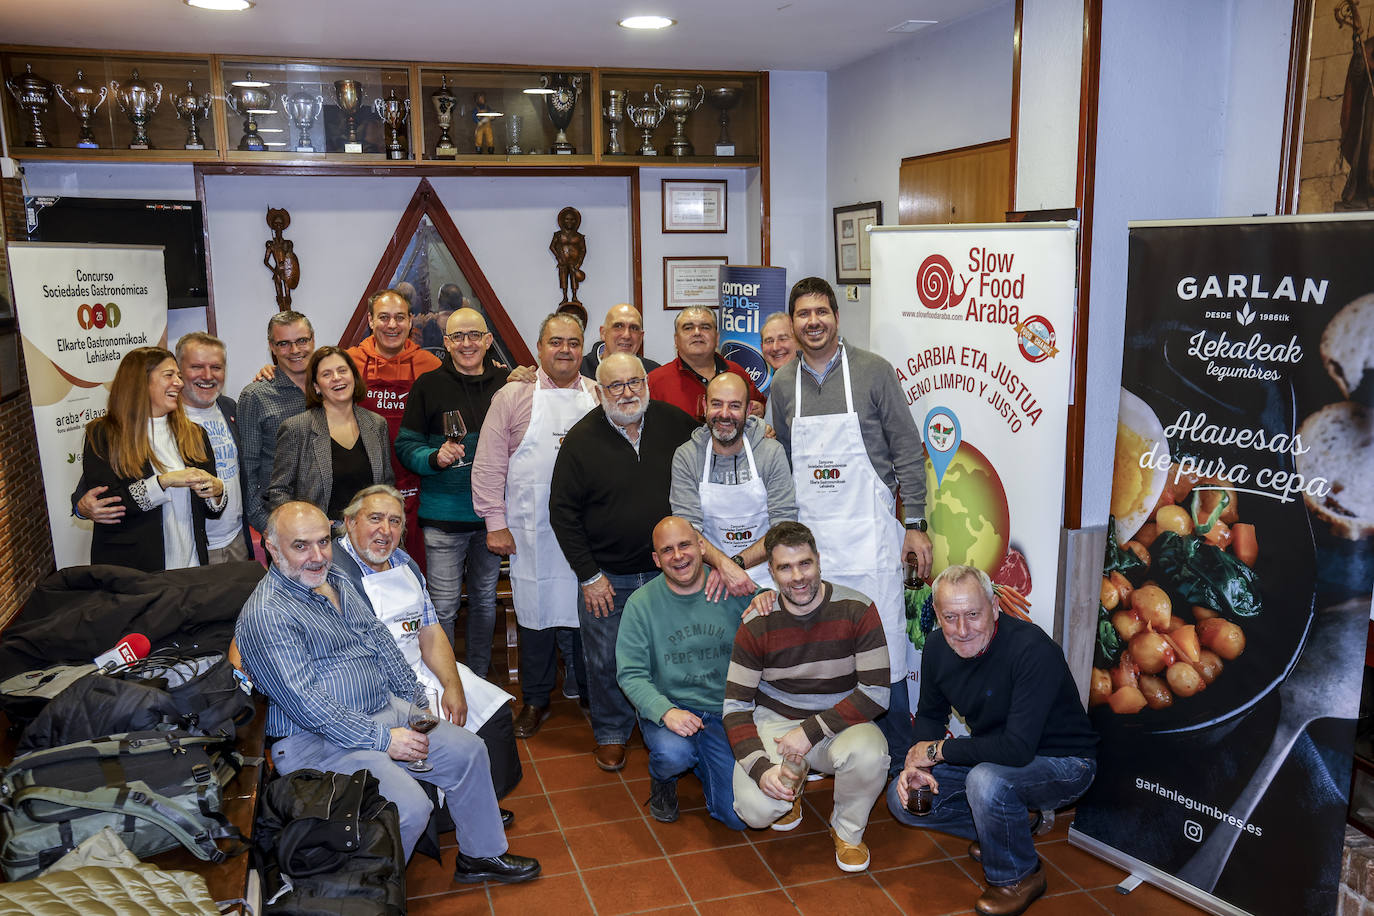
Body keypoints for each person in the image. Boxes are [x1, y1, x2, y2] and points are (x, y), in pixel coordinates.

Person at [235, 501, 539, 882]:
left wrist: (413, 702)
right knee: (408, 807)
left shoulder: (335, 582)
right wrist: (383, 739)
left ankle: (480, 855)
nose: (317, 556)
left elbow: (379, 639)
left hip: (382, 710)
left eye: (323, 542)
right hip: (317, 740)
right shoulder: (268, 615)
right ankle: (367, 898)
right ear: (272, 548)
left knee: (468, 751)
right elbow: (309, 705)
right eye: (301, 546)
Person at [767, 276, 933, 771]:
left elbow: (906, 451)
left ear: (836, 317)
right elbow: (788, 463)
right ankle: (834, 755)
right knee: (826, 651)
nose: (812, 321)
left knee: (887, 655)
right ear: (793, 324)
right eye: (803, 314)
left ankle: (905, 762)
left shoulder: (874, 372)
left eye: (821, 312)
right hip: (814, 548)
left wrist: (915, 522)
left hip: (872, 541)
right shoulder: (782, 384)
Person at [888, 566, 1097, 916]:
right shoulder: (938, 646)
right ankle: (1010, 828)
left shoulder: (1032, 649)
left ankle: (1019, 876)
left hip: (1065, 762)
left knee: (986, 782)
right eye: (950, 617)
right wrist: (919, 764)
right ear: (937, 616)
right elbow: (929, 715)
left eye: (973, 614)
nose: (963, 629)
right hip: (999, 758)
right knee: (907, 799)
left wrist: (935, 750)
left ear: (995, 607)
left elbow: (1016, 749)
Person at [548, 352, 698, 771]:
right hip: (607, 577)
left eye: (635, 382)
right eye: (616, 385)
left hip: (668, 572)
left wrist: (760, 428)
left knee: (670, 654)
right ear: (599, 392)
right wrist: (589, 575)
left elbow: (720, 441)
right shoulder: (580, 440)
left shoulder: (676, 424)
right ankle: (611, 732)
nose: (627, 392)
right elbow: (562, 512)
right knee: (605, 659)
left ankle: (669, 726)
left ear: (647, 384)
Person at [332, 485, 523, 807]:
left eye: (395, 522)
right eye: (374, 518)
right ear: (350, 523)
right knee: (434, 737)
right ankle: (448, 816)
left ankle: (480, 803)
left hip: (421, 668)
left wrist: (453, 684)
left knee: (495, 718)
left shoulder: (405, 563)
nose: (385, 530)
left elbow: (431, 630)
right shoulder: (334, 574)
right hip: (380, 687)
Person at [725, 521, 890, 874]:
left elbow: (876, 694)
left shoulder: (857, 609)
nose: (797, 576)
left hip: (838, 721)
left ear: (819, 561)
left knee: (871, 755)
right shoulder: (757, 620)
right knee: (754, 812)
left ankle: (847, 831)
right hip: (776, 723)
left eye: (804, 563)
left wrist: (810, 730)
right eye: (784, 567)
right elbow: (736, 706)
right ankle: (790, 784)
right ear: (771, 571)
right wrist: (760, 768)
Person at [473, 313, 597, 738]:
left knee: (588, 612)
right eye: (556, 342)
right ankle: (537, 698)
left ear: (584, 348)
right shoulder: (513, 397)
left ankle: (589, 695)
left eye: (573, 342)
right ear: (539, 348)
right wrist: (495, 522)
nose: (565, 350)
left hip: (587, 533)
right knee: (534, 615)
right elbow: (489, 464)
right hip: (530, 530)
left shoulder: (597, 395)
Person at [615, 516, 751, 829]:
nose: (678, 556)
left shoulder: (731, 587)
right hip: (674, 707)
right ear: (656, 559)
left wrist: (769, 598)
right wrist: (665, 712)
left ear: (702, 547)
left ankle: (704, 759)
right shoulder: (641, 604)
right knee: (673, 754)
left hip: (725, 711)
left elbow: (772, 608)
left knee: (738, 819)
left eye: (685, 545)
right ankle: (664, 778)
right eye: (667, 550)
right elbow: (630, 674)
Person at [76, 331, 254, 565]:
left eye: (178, 376)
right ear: (140, 382)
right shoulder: (104, 434)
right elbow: (110, 503)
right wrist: (165, 481)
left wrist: (218, 492)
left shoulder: (194, 433)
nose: (179, 384)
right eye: (169, 375)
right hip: (136, 574)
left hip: (191, 568)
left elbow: (209, 509)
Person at [394, 308, 504, 674]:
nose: (467, 343)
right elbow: (406, 446)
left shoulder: (507, 386)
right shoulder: (428, 386)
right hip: (443, 519)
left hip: (492, 518)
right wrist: (434, 456)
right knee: (443, 607)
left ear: (488, 340)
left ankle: (479, 677)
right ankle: (446, 681)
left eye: (474, 335)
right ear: (446, 343)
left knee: (486, 603)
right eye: (458, 337)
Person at [669, 372, 796, 598]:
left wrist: (734, 564)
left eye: (735, 406)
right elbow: (688, 530)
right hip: (710, 580)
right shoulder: (687, 456)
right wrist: (721, 566)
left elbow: (783, 526)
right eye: (716, 404)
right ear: (704, 406)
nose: (724, 414)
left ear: (748, 412)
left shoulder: (769, 452)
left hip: (768, 579)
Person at [347, 288, 442, 568]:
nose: (392, 325)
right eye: (384, 317)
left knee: (415, 566)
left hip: (416, 485)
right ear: (370, 321)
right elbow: (316, 383)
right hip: (365, 482)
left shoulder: (430, 365)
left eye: (399, 317)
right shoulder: (350, 362)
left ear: (411, 321)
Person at [266, 347, 394, 522]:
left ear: (354, 377)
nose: (336, 378)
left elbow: (386, 485)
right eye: (326, 374)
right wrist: (307, 525)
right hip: (320, 541)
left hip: (371, 535)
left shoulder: (377, 424)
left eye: (342, 371)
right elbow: (279, 492)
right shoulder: (296, 429)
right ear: (316, 386)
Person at [239, 310, 315, 537]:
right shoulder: (255, 396)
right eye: (284, 343)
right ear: (272, 347)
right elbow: (248, 469)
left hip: (330, 519)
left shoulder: (330, 387)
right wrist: (268, 527)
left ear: (313, 339)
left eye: (302, 340)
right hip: (282, 523)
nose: (294, 351)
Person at [646, 306, 765, 421]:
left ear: (717, 338)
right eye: (688, 328)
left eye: (705, 327)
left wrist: (761, 409)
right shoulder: (656, 382)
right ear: (676, 340)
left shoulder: (736, 372)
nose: (697, 333)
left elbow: (762, 406)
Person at [579, 303, 660, 378]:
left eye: (634, 328)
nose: (626, 335)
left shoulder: (654, 374)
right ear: (603, 333)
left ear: (641, 337)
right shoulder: (578, 372)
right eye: (618, 326)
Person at [549, 206, 586, 308]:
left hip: (574, 262)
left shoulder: (579, 236)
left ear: (575, 221)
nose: (569, 221)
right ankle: (565, 296)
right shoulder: (558, 235)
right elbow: (552, 246)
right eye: (567, 219)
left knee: (574, 278)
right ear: (563, 221)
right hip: (563, 262)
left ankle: (574, 296)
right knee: (563, 278)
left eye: (572, 219)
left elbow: (583, 250)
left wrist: (579, 262)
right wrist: (558, 258)